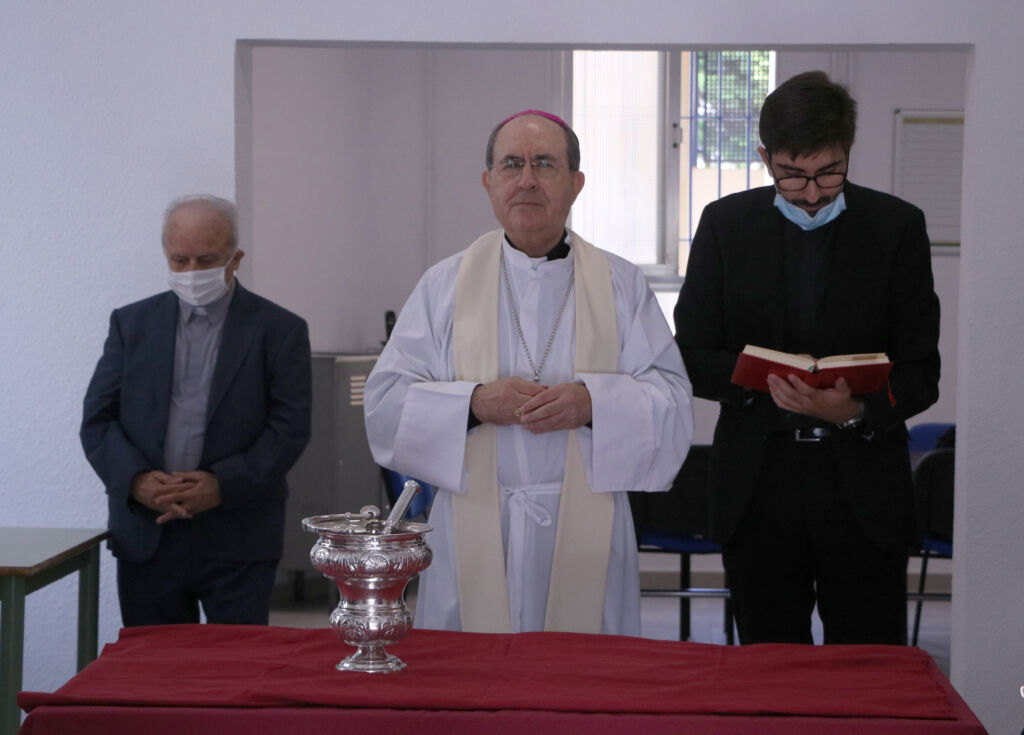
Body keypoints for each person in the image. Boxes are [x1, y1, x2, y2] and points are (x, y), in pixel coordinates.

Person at [364, 110, 693, 636]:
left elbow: (672, 401)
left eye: (545, 164)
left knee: (579, 676)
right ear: (488, 182)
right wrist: (473, 403)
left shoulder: (621, 284)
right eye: (512, 165)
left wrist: (592, 404)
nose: (527, 180)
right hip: (473, 524)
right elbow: (385, 403)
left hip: (587, 527)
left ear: (575, 183)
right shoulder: (443, 285)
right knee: (473, 675)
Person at [674, 71, 940, 645]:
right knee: (770, 667)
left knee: (867, 667)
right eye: (793, 174)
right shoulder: (726, 225)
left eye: (828, 172)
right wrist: (762, 380)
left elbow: (922, 371)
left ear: (849, 150)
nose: (813, 193)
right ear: (765, 156)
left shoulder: (896, 227)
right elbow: (689, 355)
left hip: (864, 488)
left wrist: (854, 411)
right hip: (758, 483)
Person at [81, 194, 312, 626]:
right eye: (179, 260)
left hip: (240, 534)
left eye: (206, 260)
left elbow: (289, 428)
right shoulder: (131, 324)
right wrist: (137, 481)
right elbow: (98, 420)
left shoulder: (280, 330)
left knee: (235, 662)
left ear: (235, 259)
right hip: (148, 534)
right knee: (155, 664)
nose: (191, 272)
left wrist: (222, 485)